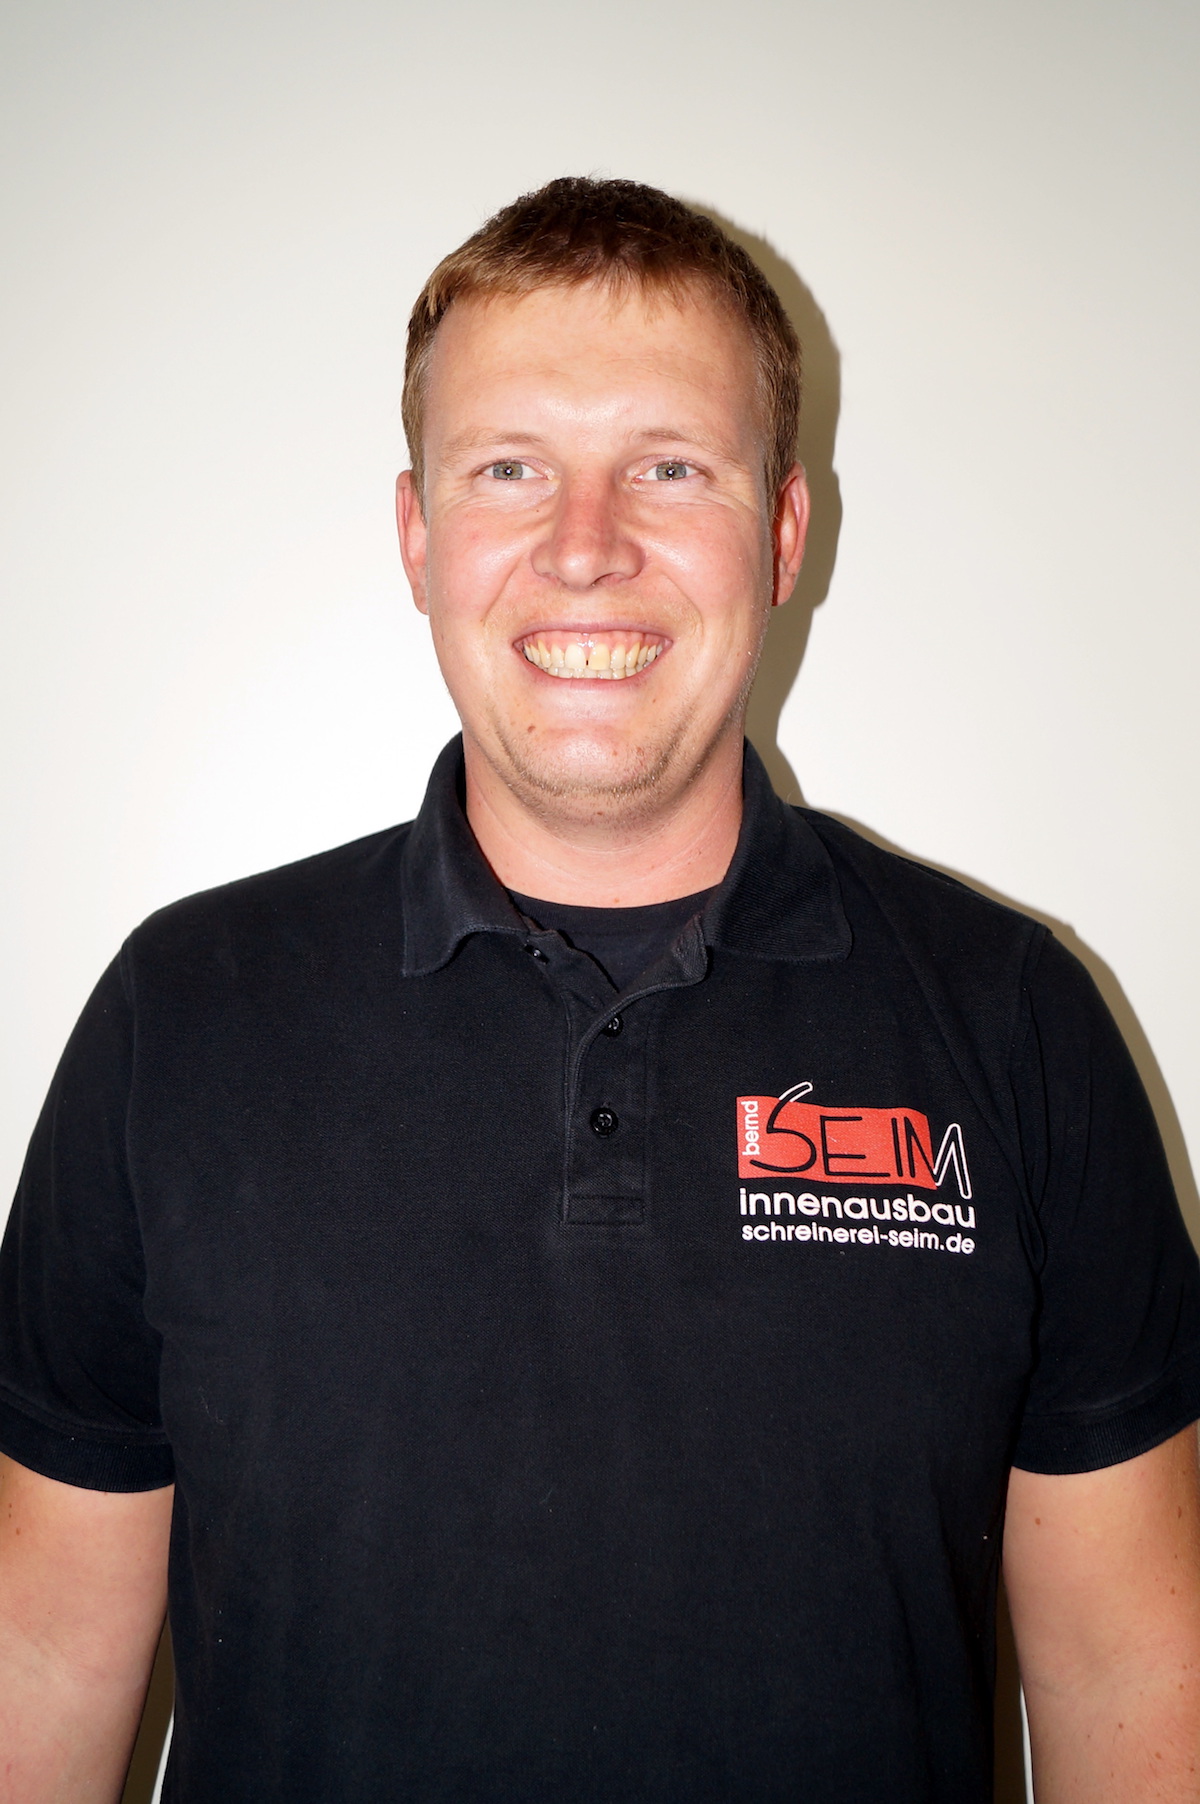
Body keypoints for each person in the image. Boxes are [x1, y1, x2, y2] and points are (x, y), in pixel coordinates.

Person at [1, 176, 1198, 1804]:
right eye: (510, 469)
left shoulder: (1018, 1021)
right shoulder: (182, 1016)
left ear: (784, 533)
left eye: (669, 467)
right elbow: (41, 1651)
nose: (586, 547)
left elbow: (1132, 1668)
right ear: (418, 536)